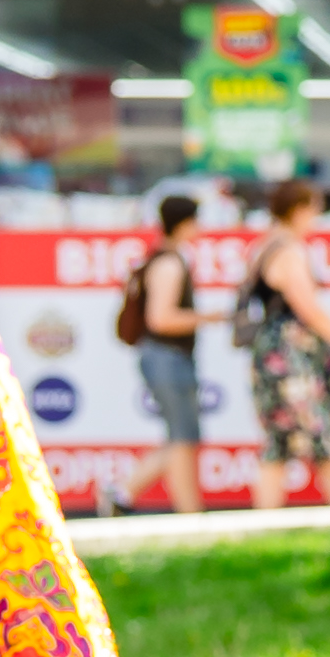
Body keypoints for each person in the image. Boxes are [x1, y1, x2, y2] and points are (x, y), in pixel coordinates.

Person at [233, 178, 330, 511]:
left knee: (278, 441)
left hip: (271, 352)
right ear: (299, 210)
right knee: (324, 436)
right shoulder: (289, 250)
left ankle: (265, 523)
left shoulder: (264, 246)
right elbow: (307, 308)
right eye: (314, 210)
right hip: (291, 354)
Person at [120, 193, 213, 517]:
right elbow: (161, 318)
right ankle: (188, 512)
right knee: (182, 438)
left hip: (166, 356)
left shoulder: (163, 258)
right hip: (166, 356)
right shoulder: (170, 262)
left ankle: (123, 492)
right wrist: (209, 317)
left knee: (181, 437)